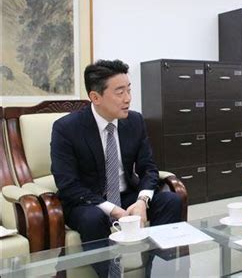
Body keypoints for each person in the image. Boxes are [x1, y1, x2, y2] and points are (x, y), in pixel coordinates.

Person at [51, 59, 182, 276]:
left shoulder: (135, 121)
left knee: (171, 200)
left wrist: (142, 201)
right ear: (95, 97)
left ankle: (158, 271)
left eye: (129, 90)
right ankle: (111, 274)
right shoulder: (66, 128)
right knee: (94, 218)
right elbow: (67, 184)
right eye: (119, 92)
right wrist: (113, 210)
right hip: (87, 202)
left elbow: (149, 168)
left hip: (127, 195)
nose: (128, 99)